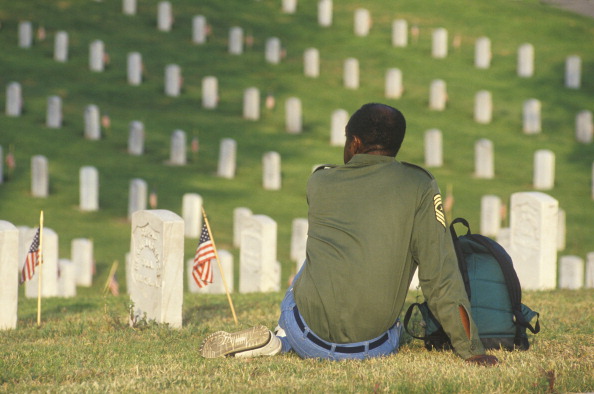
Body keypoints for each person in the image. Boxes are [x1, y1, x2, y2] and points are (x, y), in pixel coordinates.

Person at [200, 103, 498, 366]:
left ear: (354, 143)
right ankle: (282, 341)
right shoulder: (419, 185)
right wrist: (471, 350)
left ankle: (280, 340)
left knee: (310, 267)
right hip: (372, 349)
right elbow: (440, 276)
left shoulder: (320, 181)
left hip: (308, 338)